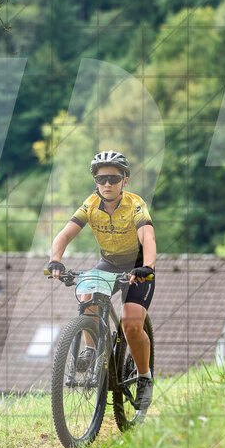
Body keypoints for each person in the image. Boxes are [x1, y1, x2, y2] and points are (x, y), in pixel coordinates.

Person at [46, 150, 157, 409]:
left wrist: (148, 266)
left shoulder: (136, 204)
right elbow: (63, 236)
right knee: (87, 296)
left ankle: (144, 378)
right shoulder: (90, 205)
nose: (107, 184)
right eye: (102, 178)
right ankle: (92, 350)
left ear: (125, 180)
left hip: (138, 266)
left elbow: (148, 238)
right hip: (109, 263)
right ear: (95, 180)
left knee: (130, 325)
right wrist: (55, 259)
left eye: (114, 179)